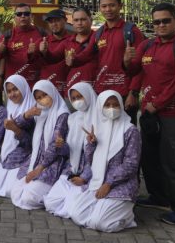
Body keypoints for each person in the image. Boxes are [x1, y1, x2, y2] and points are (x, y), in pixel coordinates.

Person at [124, 2, 175, 226]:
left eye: (166, 20)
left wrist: (157, 104)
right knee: (151, 158)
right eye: (157, 22)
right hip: (150, 115)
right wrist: (127, 60)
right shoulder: (148, 45)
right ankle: (159, 197)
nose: (161, 25)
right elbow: (134, 70)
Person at [68, 0, 145, 124]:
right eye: (104, 6)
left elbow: (139, 65)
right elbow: (86, 55)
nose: (108, 9)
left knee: (126, 135)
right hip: (101, 92)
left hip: (124, 93)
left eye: (112, 5)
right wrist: (73, 60)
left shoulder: (131, 31)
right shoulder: (99, 33)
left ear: (121, 6)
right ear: (100, 8)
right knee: (103, 133)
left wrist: (133, 93)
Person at [70, 90, 141, 232]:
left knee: (99, 223)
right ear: (100, 108)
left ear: (121, 105)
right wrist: (91, 144)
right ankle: (103, 210)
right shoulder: (97, 129)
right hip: (98, 182)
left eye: (115, 105)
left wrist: (109, 183)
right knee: (75, 213)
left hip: (121, 184)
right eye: (107, 105)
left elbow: (131, 164)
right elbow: (91, 161)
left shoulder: (130, 130)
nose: (112, 109)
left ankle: (126, 217)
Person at [10, 80, 69, 210]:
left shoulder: (62, 114)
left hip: (51, 165)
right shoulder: (39, 112)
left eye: (45, 95)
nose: (42, 100)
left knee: (28, 198)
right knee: (14, 193)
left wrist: (39, 169)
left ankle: (51, 192)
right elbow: (16, 125)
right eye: (38, 98)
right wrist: (27, 114)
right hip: (34, 160)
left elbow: (55, 145)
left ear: (52, 93)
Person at [44, 82, 97, 218]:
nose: (77, 101)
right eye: (73, 98)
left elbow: (100, 157)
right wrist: (61, 145)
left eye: (80, 96)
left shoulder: (99, 121)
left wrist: (84, 177)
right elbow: (69, 152)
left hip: (89, 175)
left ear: (89, 95)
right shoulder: (72, 119)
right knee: (50, 203)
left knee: (71, 209)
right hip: (71, 171)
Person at [0, 75, 36, 198]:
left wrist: (15, 129)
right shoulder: (9, 107)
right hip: (6, 155)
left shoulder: (33, 110)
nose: (12, 94)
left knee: (10, 190)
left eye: (15, 89)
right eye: (8, 91)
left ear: (23, 88)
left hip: (24, 157)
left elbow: (30, 143)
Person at [0, 3, 44, 87]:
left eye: (26, 14)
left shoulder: (41, 33)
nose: (23, 16)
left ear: (31, 16)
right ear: (14, 18)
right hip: (14, 86)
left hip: (36, 85)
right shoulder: (8, 35)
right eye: (19, 14)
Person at [43, 7, 96, 92]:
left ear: (91, 20)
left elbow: (87, 53)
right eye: (76, 20)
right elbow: (53, 58)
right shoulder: (67, 41)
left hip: (94, 90)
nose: (79, 23)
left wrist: (74, 60)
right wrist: (45, 51)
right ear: (72, 22)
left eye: (83, 19)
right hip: (72, 92)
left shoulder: (99, 37)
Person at [37, 9, 71, 95]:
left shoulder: (73, 40)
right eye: (51, 22)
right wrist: (32, 51)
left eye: (57, 21)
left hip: (67, 89)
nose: (54, 24)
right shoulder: (42, 41)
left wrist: (45, 53)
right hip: (47, 90)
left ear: (65, 21)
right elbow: (28, 59)